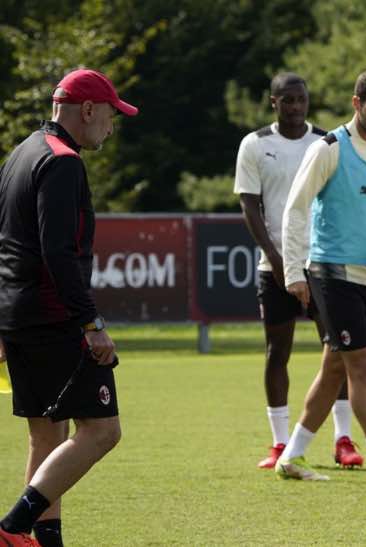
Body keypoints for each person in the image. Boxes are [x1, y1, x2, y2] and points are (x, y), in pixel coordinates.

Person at [0, 68, 137, 547]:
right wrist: (91, 323)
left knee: (47, 436)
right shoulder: (63, 162)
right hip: (55, 319)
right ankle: (13, 526)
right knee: (102, 431)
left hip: (18, 317)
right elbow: (58, 253)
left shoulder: (21, 152)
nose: (112, 125)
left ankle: (42, 543)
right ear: (87, 110)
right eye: (111, 115)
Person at [277, 70, 366, 486]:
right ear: (356, 104)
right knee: (361, 361)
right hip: (330, 271)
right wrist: (294, 272)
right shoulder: (329, 149)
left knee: (335, 369)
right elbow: (296, 209)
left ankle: (293, 455)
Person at [234, 72, 362, 470]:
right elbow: (250, 207)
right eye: (286, 100)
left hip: (321, 264)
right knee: (277, 353)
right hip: (272, 266)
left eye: (301, 99)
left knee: (337, 352)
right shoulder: (255, 144)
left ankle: (343, 439)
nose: (295, 106)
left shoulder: (326, 143)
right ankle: (279, 442)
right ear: (273, 102)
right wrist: (276, 259)